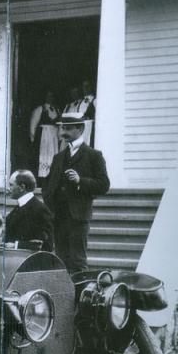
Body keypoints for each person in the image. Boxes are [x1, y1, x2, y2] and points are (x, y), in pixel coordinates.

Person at [43, 112, 110, 274]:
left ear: (80, 129)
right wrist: (49, 200)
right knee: (60, 260)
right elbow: (48, 184)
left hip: (78, 217)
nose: (63, 132)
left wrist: (81, 181)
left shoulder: (94, 155)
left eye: (68, 128)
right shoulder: (59, 157)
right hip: (58, 216)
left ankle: (80, 296)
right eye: (62, 128)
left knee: (78, 261)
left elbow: (104, 185)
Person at [5, 170, 54, 251]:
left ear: (22, 187)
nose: (8, 189)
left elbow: (47, 245)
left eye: (11, 185)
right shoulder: (17, 209)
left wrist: (17, 245)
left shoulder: (40, 209)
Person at [29, 91, 60, 182]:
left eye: (52, 96)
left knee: (53, 155)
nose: (50, 98)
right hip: (43, 137)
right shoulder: (40, 109)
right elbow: (33, 125)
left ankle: (52, 176)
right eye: (48, 96)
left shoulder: (57, 110)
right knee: (44, 156)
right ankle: (42, 178)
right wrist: (33, 139)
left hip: (54, 136)